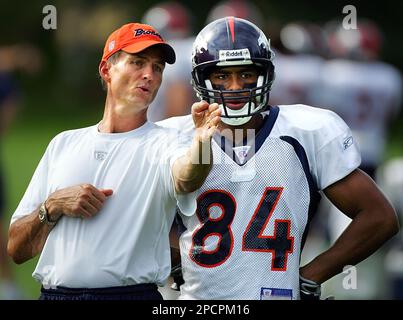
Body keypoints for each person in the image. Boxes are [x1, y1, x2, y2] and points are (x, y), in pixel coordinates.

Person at [157, 17, 399, 300]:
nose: (235, 86)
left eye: (246, 74)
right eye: (222, 76)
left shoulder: (307, 131)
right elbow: (136, 215)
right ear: (202, 79)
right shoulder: (172, 136)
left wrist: (312, 274)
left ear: (265, 75)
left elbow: (379, 217)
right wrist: (176, 258)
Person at [7, 22, 220, 300]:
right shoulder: (64, 143)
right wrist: (53, 205)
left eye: (157, 68)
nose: (149, 75)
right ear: (107, 70)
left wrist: (202, 142)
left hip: (130, 295)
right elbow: (17, 248)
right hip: (53, 295)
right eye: (138, 62)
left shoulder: (168, 142)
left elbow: (189, 176)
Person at [142, 1, 196, 121]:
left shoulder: (178, 52)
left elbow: (178, 98)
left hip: (169, 132)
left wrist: (170, 135)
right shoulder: (192, 47)